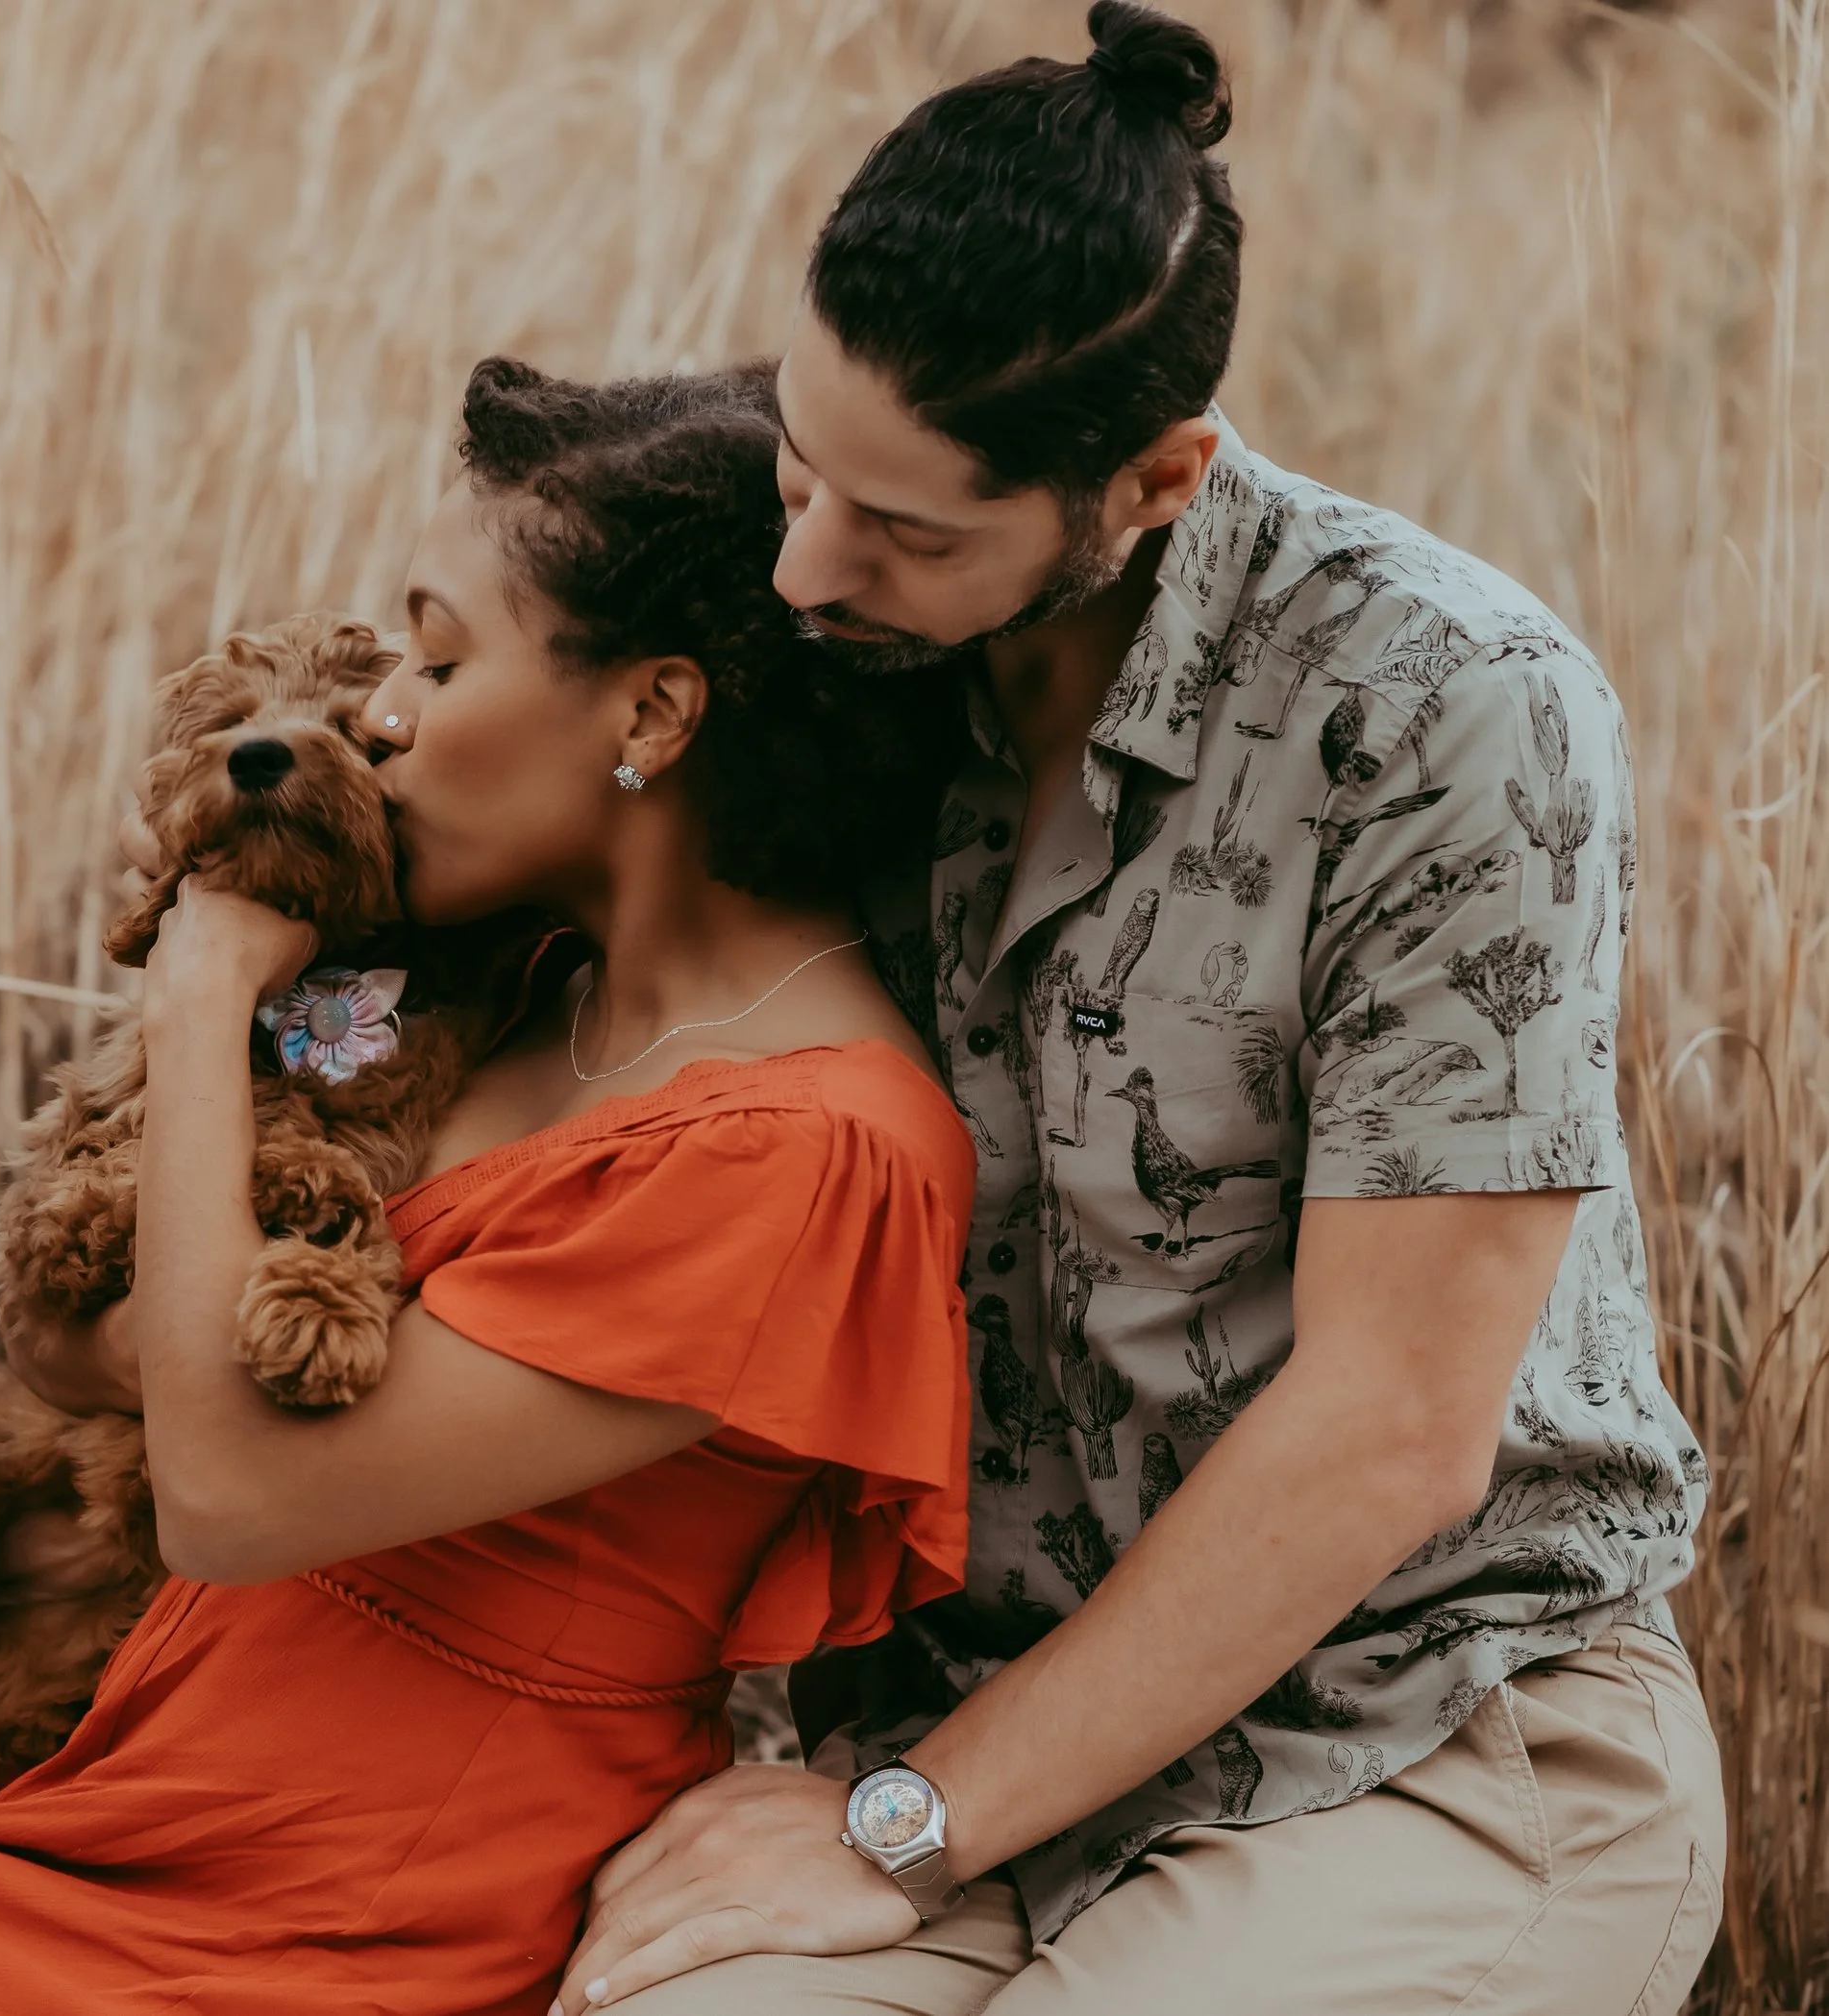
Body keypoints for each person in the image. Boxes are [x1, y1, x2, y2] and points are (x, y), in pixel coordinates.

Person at [0, 361, 979, 2016]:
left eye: (441, 661)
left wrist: (196, 996)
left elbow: (231, 1492)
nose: (383, 719)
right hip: (89, 1739)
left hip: (300, 1892)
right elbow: (65, 1337)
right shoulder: (517, 983)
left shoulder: (806, 1156)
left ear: (654, 718)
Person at [565, 8, 1724, 2014]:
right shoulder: (834, 660)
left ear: (1156, 477)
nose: (803, 561)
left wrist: (888, 1826)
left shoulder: (1444, 705)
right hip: (962, 1737)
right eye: (796, 463)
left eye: (906, 528)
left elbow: (1386, 1433)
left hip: (1433, 1728)